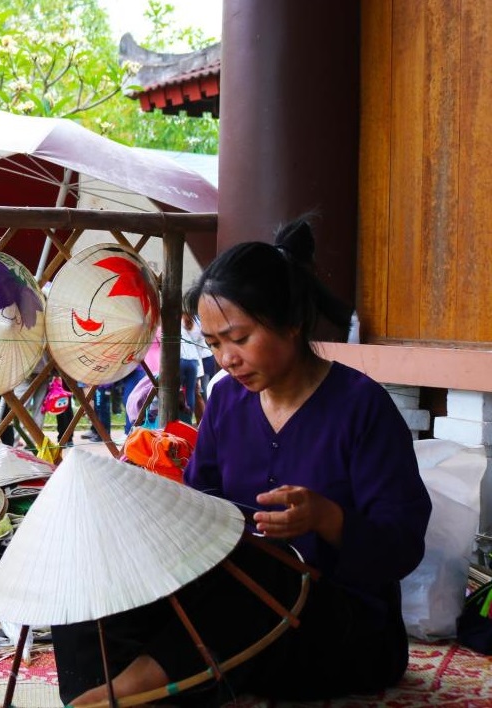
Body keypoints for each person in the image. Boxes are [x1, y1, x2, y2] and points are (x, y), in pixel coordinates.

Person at [53, 216, 432, 706]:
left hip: (341, 628)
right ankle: (92, 692)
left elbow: (402, 547)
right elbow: (201, 507)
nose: (226, 358)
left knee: (259, 572)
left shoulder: (362, 407)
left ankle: (134, 687)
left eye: (239, 337)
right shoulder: (227, 402)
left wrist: (326, 517)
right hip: (235, 613)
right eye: (213, 344)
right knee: (96, 569)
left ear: (291, 321)